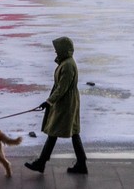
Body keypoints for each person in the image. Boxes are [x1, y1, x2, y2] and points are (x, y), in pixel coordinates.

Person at [24, 36, 88, 175]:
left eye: (57, 49)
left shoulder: (68, 65)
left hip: (66, 103)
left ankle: (41, 163)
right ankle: (81, 163)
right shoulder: (66, 63)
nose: (55, 52)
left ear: (64, 49)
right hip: (66, 101)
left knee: (54, 132)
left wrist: (49, 102)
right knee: (73, 131)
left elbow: (62, 88)